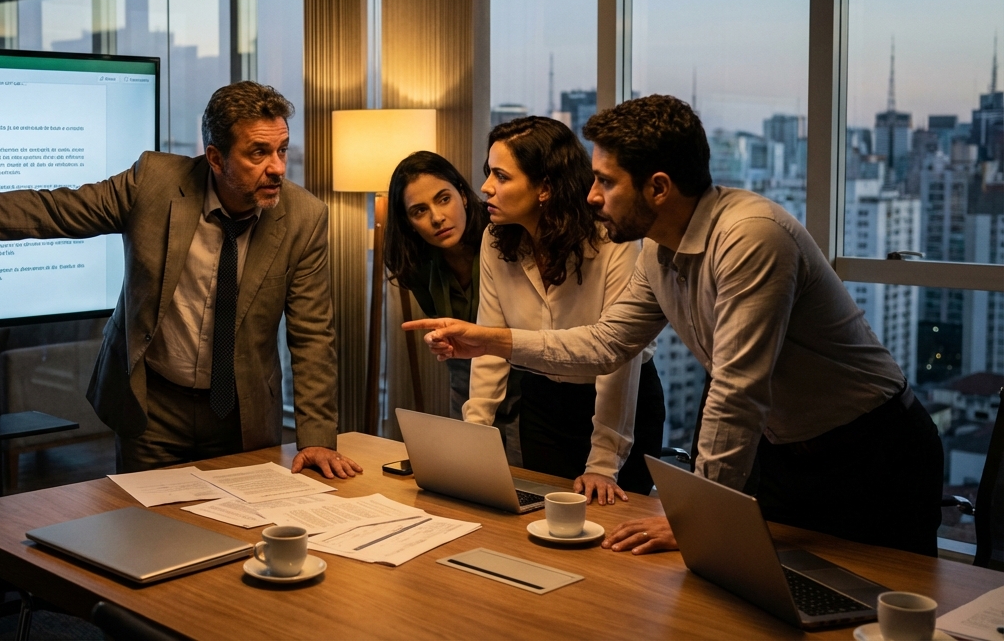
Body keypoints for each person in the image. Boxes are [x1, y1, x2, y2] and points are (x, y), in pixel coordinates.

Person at [406, 95, 943, 557]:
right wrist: (488, 340)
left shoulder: (751, 237)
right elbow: (606, 344)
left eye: (605, 182)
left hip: (873, 453)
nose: (591, 196)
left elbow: (736, 393)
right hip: (785, 455)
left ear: (658, 188)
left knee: (884, 609)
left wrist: (694, 518)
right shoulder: (658, 254)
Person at [0, 82, 361, 479]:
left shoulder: (303, 217)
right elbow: (54, 209)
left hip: (238, 412)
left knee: (236, 546)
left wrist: (316, 436)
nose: (277, 168)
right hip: (153, 409)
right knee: (145, 538)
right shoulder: (154, 183)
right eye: (258, 153)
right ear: (214, 158)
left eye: (282, 151)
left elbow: (313, 335)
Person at [474, 118, 663, 503]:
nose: (486, 187)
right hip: (542, 400)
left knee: (613, 530)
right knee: (545, 516)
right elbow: (489, 344)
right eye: (488, 173)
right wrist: (472, 436)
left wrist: (603, 462)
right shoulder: (494, 241)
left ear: (545, 187)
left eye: (501, 176)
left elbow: (618, 359)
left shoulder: (611, 240)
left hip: (620, 400)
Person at [383, 151, 523, 452]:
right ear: (408, 222)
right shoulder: (418, 265)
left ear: (462, 193)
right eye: (419, 211)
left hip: (526, 383)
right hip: (464, 381)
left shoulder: (505, 239)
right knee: (469, 474)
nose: (436, 217)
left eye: (443, 199)